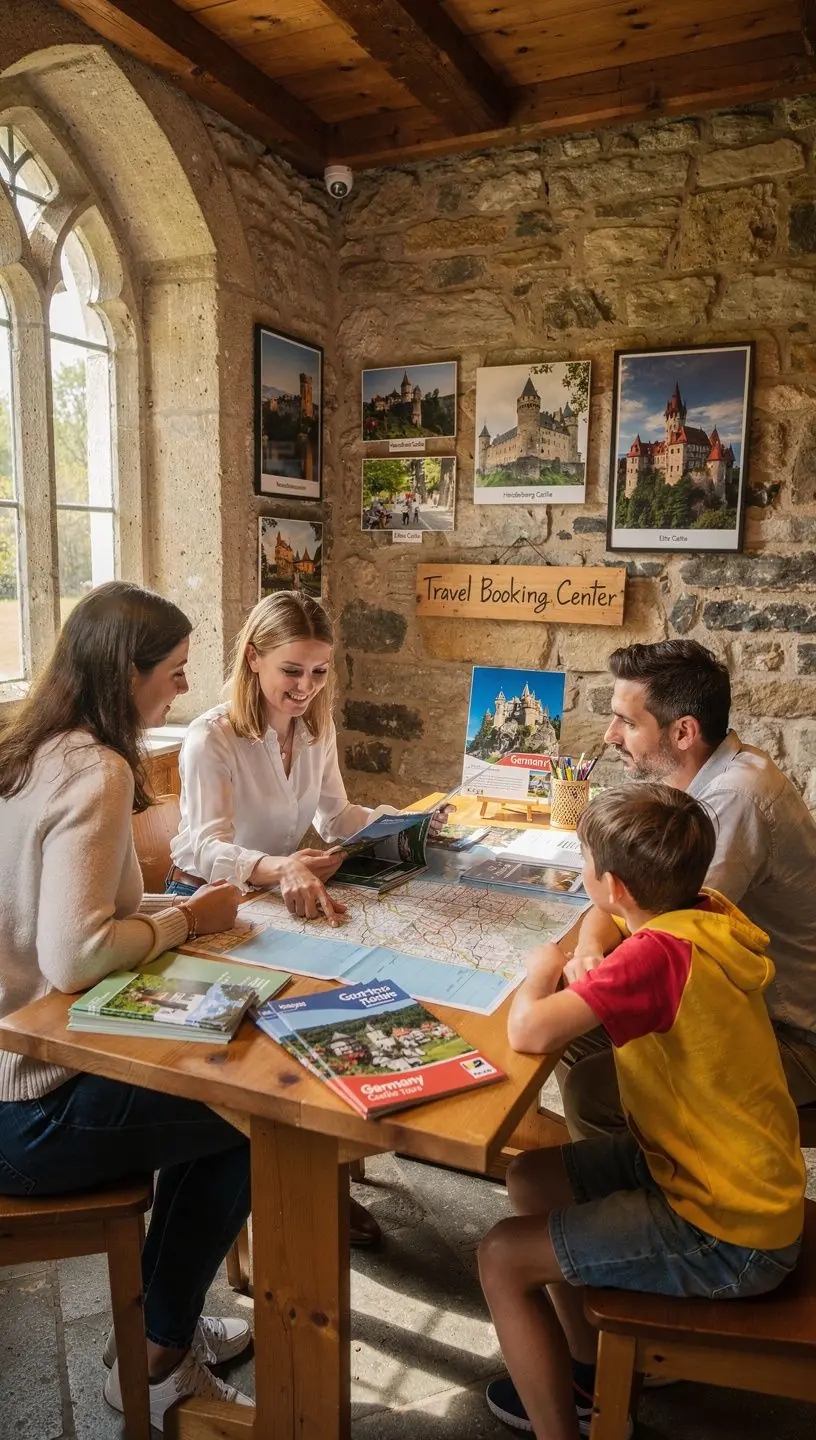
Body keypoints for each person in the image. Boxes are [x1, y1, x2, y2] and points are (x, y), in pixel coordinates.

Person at [0, 581, 254, 1431]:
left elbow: (61, 917)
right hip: (23, 1113)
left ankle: (159, 1321)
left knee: (205, 1099)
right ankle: (153, 1361)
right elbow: (75, 956)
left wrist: (185, 914)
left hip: (13, 1074)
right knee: (248, 1117)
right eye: (174, 673)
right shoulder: (97, 768)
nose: (181, 691)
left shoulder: (24, 746)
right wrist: (187, 918)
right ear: (126, 673)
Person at [480, 784, 805, 1440]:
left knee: (500, 1256)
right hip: (717, 1172)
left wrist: (543, 967)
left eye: (585, 866)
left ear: (615, 885)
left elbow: (531, 1033)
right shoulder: (699, 912)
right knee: (531, 1180)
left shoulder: (656, 956)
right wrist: (595, 943)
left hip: (730, 1234)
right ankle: (583, 1375)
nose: (582, 875)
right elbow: (614, 929)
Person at [169, 590, 430, 1246]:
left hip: (284, 896)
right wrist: (275, 866)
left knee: (339, 1017)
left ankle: (322, 1174)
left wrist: (404, 823)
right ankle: (291, 1186)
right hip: (211, 904)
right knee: (275, 1054)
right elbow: (200, 846)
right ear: (253, 658)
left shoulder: (317, 725)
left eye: (319, 672)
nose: (306, 688)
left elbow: (335, 816)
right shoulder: (212, 737)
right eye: (292, 671)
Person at [559, 638, 816, 1140]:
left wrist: (579, 960)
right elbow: (624, 894)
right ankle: (627, 1168)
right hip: (743, 1001)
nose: (611, 734)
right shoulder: (699, 781)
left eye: (628, 722)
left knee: (591, 1081)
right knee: (574, 1027)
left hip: (792, 1033)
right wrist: (588, 946)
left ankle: (664, 1199)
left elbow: (653, 936)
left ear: (683, 732)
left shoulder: (731, 802)